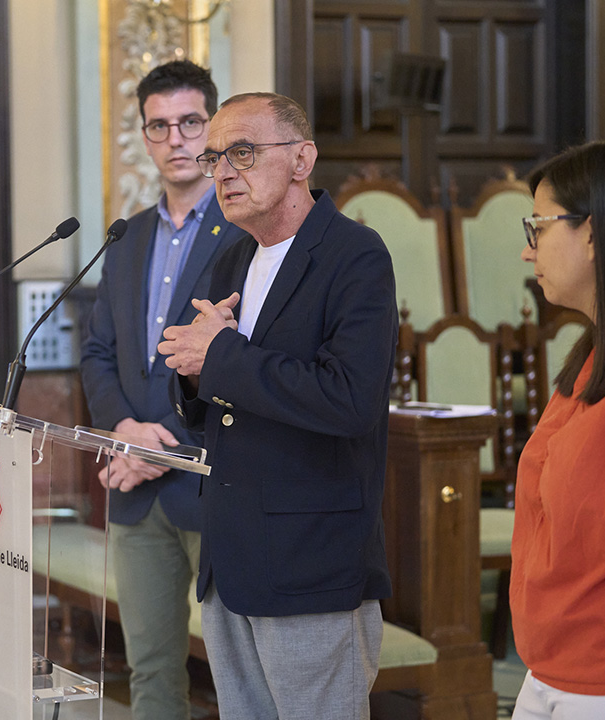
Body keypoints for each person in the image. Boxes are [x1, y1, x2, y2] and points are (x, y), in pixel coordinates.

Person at [156, 92, 398, 720]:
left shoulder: (355, 255)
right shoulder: (232, 255)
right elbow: (220, 397)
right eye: (215, 157)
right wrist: (191, 376)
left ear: (301, 159)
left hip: (310, 562)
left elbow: (349, 400)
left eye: (242, 152)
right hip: (231, 558)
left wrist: (221, 359)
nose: (223, 173)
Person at [80, 60, 245, 720]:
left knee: (236, 669)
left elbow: (245, 360)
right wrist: (124, 430)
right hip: (135, 485)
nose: (175, 139)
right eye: (159, 126)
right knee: (148, 667)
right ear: (144, 138)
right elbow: (97, 354)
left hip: (213, 480)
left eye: (190, 123)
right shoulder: (126, 238)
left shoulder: (241, 231)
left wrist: (167, 440)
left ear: (213, 129)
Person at [510, 140, 605, 720]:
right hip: (552, 669)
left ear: (593, 235)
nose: (529, 253)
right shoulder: (595, 356)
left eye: (538, 228)